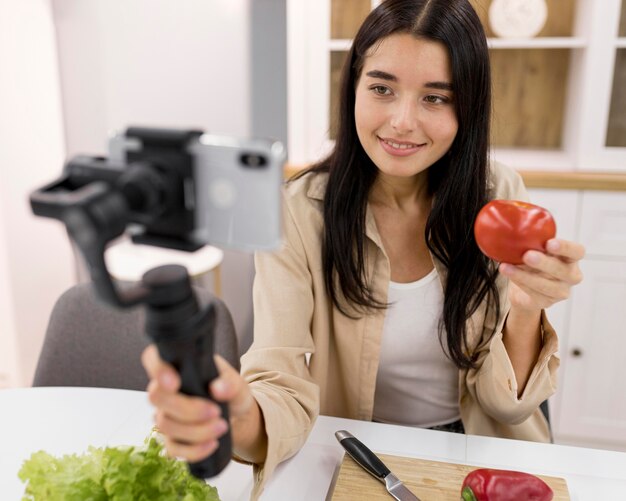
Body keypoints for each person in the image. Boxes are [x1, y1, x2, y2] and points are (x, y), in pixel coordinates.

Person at [142, 0, 585, 497]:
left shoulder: (499, 197)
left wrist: (527, 310)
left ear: (469, 107)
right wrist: (238, 414)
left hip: (482, 455)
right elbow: (279, 378)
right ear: (352, 87)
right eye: (381, 88)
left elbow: (507, 407)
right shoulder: (297, 211)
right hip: (358, 451)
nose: (401, 121)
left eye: (435, 98)